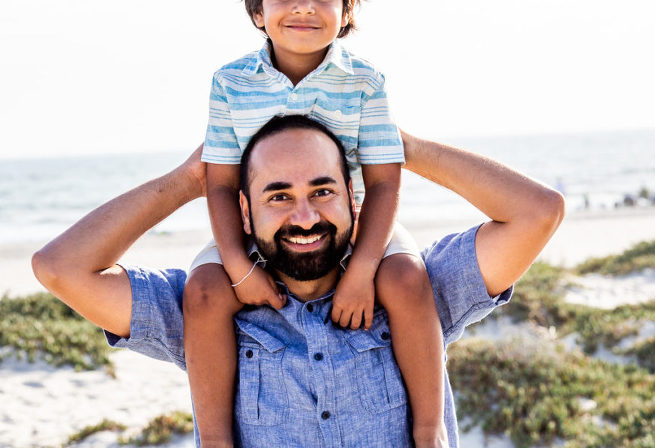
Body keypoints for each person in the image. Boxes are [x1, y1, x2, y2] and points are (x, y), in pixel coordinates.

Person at [31, 115, 565, 447]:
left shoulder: (414, 291)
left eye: (323, 191)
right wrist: (188, 181)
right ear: (244, 211)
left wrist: (396, 144)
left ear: (354, 200)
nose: (305, 217)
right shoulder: (205, 310)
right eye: (279, 195)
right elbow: (61, 268)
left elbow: (537, 212)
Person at [192, 0, 444, 445]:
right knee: (203, 293)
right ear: (257, 12)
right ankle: (214, 437)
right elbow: (219, 184)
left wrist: (364, 270)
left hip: (350, 226)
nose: (303, 6)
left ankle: (429, 426)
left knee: (407, 279)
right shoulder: (231, 82)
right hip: (262, 225)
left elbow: (382, 180)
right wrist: (239, 269)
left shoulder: (364, 81)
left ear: (346, 10)